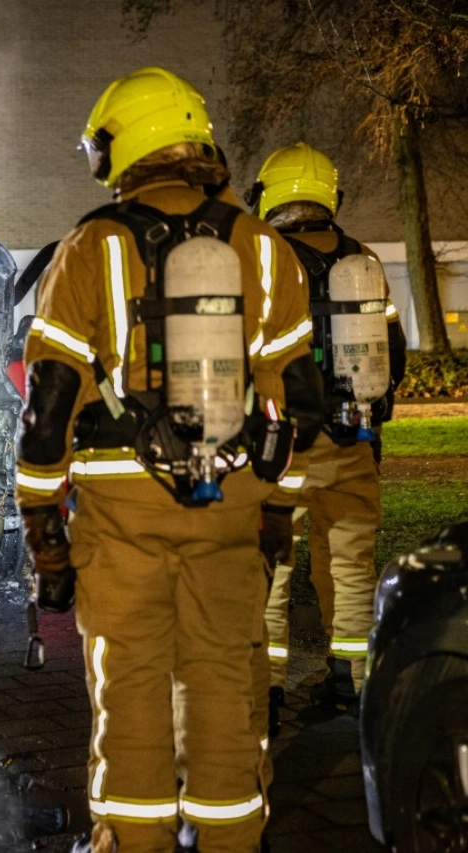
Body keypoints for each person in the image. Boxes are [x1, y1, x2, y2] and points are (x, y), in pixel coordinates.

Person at [15, 67, 323, 853]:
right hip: (229, 516)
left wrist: (45, 535)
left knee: (130, 697)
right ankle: (228, 838)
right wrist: (277, 512)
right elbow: (300, 399)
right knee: (225, 688)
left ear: (127, 145)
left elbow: (47, 410)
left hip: (119, 530)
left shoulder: (89, 250)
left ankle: (131, 840)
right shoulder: (262, 248)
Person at [249, 142, 407, 725]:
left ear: (272, 195)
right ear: (329, 197)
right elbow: (392, 353)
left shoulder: (262, 260)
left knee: (270, 571)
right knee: (350, 567)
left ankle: (263, 690)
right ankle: (353, 683)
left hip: (280, 448)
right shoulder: (361, 257)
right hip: (353, 442)